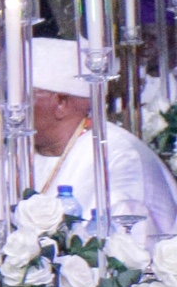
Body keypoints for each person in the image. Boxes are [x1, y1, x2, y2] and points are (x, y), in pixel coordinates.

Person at [27, 38, 177, 238]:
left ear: (61, 103)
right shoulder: (19, 152)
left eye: (22, 97)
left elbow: (126, 246)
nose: (11, 109)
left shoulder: (119, 155)